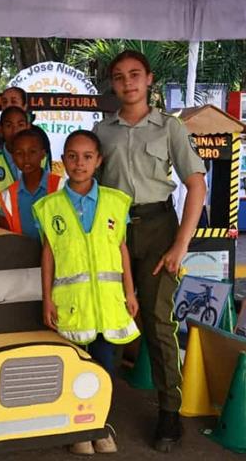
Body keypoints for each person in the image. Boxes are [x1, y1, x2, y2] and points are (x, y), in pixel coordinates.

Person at [93, 49, 206, 453]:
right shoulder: (101, 131)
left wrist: (180, 245)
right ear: (113, 83)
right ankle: (93, 408)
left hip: (159, 229)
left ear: (150, 79)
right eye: (120, 77)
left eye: (135, 75)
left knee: (159, 321)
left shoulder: (169, 128)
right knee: (105, 314)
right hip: (112, 232)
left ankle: (169, 412)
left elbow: (197, 185)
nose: (128, 83)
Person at [33, 129, 139, 456]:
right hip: (73, 305)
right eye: (73, 156)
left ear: (99, 161)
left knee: (104, 368)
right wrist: (47, 297)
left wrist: (130, 292)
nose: (80, 163)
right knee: (75, 367)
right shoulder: (48, 207)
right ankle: (79, 429)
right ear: (63, 160)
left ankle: (100, 425)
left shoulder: (116, 202)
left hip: (108, 305)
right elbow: (48, 253)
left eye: (87, 157)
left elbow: (121, 249)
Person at [0, 127, 62, 240]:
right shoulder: (8, 196)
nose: (26, 158)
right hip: (21, 254)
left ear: (43, 154)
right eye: (19, 153)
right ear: (13, 157)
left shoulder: (61, 186)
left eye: (32, 152)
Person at [0, 106, 31, 227]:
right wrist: (13, 228)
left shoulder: (41, 159)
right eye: (9, 126)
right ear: (0, 129)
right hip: (2, 230)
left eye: (20, 125)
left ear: (28, 127)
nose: (15, 130)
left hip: (33, 231)